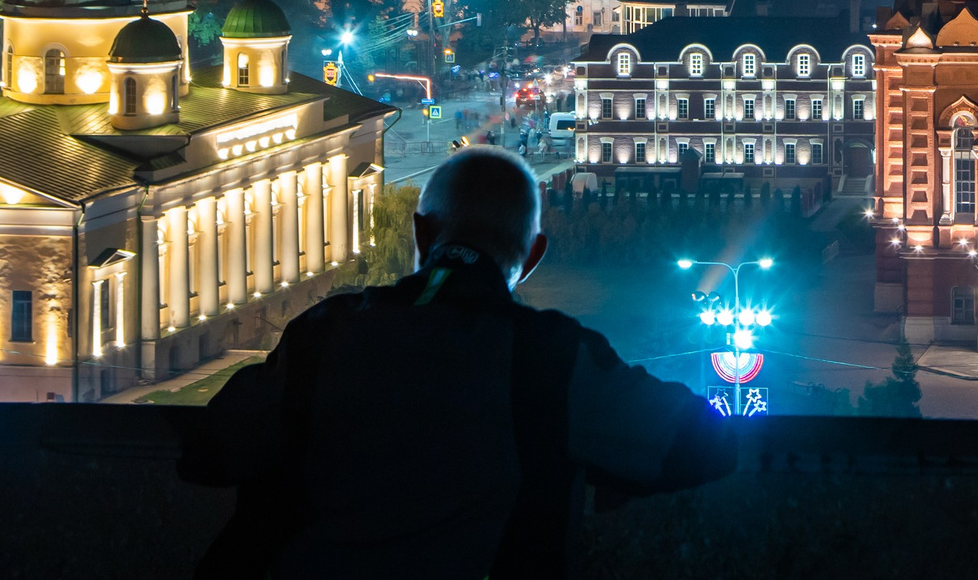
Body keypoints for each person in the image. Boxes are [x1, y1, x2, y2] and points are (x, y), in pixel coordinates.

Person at [185, 148, 731, 580]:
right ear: (533, 256)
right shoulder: (551, 358)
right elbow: (706, 443)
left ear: (422, 233)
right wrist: (608, 470)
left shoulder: (326, 333)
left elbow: (207, 452)